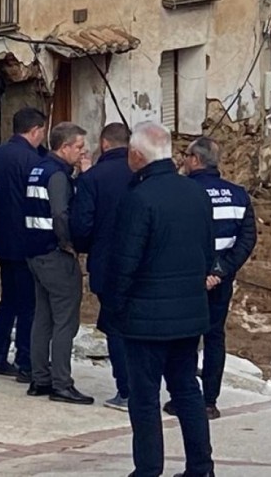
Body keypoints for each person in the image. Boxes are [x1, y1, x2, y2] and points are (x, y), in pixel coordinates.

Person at [109, 122, 216, 477]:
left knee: (144, 398)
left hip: (145, 319)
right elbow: (207, 249)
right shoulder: (196, 194)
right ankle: (201, 467)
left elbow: (125, 262)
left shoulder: (139, 198)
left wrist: (115, 309)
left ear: (137, 155)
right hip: (189, 313)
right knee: (187, 391)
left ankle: (148, 469)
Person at [178, 136, 257, 420]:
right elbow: (247, 239)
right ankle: (209, 402)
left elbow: (181, 239)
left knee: (185, 338)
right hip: (222, 281)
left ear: (195, 160)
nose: (183, 161)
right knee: (214, 337)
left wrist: (203, 274)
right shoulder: (238, 194)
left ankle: (183, 398)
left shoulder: (184, 191)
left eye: (186, 156)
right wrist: (221, 271)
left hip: (189, 280)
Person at [21, 121, 92, 405]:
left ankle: (40, 378)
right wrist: (69, 244)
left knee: (43, 316)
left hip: (34, 252)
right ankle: (62, 383)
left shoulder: (38, 169)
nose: (82, 152)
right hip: (54, 253)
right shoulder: (58, 176)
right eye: (78, 147)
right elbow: (61, 214)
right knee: (65, 321)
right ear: (64, 147)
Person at [0, 107, 47, 381]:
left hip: (0, 237)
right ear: (36, 131)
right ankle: (26, 361)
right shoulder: (33, 161)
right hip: (27, 241)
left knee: (8, 299)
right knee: (29, 303)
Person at [70, 122, 134, 411]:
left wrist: (85, 247)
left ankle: (126, 389)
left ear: (104, 144)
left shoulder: (92, 178)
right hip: (145, 265)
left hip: (107, 264)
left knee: (116, 328)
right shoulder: (143, 175)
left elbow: (81, 226)